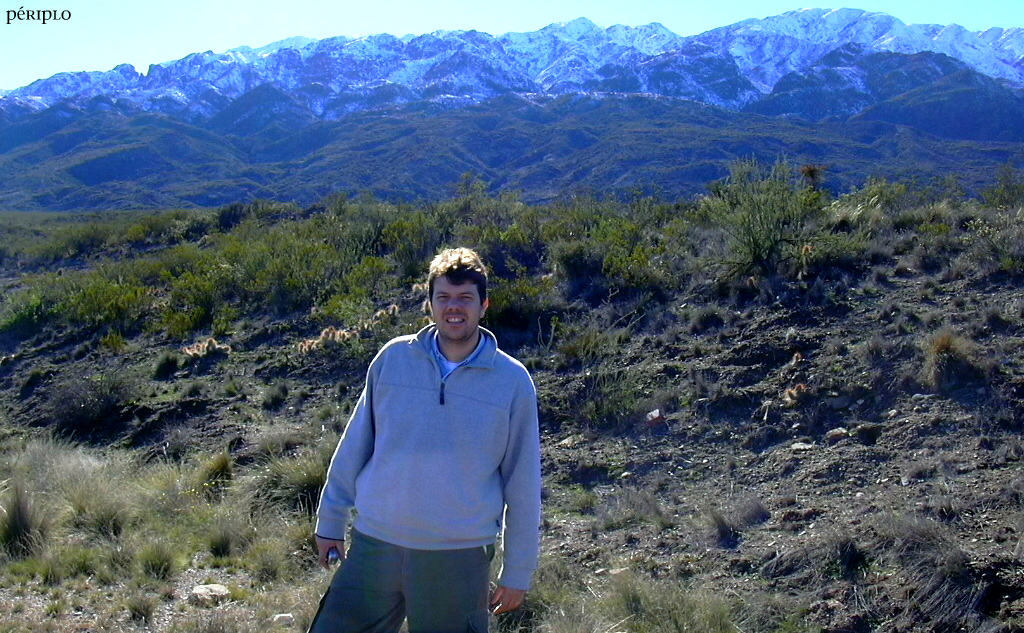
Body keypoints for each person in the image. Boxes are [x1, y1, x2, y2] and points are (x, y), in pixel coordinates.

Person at [308, 247, 542, 633]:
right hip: (375, 545)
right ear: (430, 304)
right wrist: (331, 520)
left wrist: (518, 570)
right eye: (444, 297)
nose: (454, 307)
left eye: (465, 298)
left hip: (457, 556)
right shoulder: (393, 359)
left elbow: (523, 484)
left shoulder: (512, 382)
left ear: (484, 305)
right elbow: (354, 445)